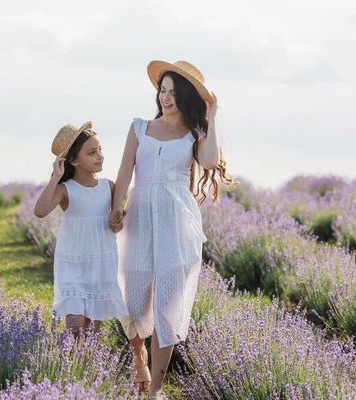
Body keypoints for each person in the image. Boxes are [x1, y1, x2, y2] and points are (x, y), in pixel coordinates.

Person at [109, 60, 235, 398]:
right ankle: (139, 356)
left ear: (188, 97)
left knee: (167, 308)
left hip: (177, 224)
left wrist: (212, 117)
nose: (166, 98)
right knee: (135, 301)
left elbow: (209, 162)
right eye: (162, 91)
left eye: (174, 93)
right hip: (139, 218)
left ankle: (154, 391)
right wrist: (116, 209)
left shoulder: (196, 133)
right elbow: (124, 173)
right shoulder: (139, 128)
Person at [34, 121, 129, 335]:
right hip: (73, 261)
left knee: (92, 329)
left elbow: (116, 227)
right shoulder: (65, 189)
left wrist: (117, 222)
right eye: (92, 153)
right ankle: (70, 362)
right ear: (74, 160)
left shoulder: (109, 187)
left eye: (100, 150)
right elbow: (39, 211)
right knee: (76, 325)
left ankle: (87, 364)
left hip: (101, 261)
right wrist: (56, 177)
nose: (100, 156)